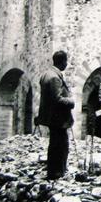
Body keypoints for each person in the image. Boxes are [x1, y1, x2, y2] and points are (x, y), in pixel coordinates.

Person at [37, 50, 75, 180]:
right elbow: (57, 99)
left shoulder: (46, 74)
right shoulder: (54, 77)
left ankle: (54, 171)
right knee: (60, 145)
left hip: (52, 117)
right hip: (58, 118)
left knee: (55, 144)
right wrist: (71, 102)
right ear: (62, 61)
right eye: (66, 61)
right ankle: (57, 172)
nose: (67, 64)